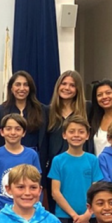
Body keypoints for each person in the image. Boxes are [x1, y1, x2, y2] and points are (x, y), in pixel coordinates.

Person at [49, 116, 103, 223]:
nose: (76, 135)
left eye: (81, 132)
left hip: (90, 217)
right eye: (71, 131)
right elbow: (55, 192)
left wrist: (87, 214)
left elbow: (96, 190)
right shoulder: (58, 160)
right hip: (65, 217)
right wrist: (74, 215)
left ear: (87, 135)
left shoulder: (92, 160)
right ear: (64, 135)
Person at [44, 70, 90, 213]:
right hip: (56, 169)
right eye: (64, 84)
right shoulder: (47, 111)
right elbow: (43, 142)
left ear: (77, 90)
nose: (67, 88)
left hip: (80, 166)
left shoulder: (88, 109)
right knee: (57, 209)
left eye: (72, 85)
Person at [0, 114, 42, 213]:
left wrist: (35, 207)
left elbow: (37, 182)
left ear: (23, 132)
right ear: (2, 132)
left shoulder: (32, 155)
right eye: (8, 129)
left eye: (17, 129)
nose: (13, 133)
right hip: (3, 208)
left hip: (27, 207)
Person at [0, 71, 48, 155]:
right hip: (8, 158)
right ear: (11, 88)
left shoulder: (42, 110)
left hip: (34, 159)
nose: (22, 88)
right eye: (18, 84)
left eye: (26, 85)